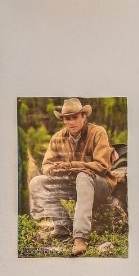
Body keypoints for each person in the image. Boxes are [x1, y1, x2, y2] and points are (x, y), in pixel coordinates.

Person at [29, 98, 117, 256]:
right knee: (37, 183)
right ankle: (63, 227)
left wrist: (71, 166)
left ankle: (80, 238)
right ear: (63, 120)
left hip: (100, 185)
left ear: (84, 117)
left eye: (75, 117)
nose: (71, 122)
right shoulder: (57, 138)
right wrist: (54, 170)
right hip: (72, 185)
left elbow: (102, 166)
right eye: (67, 118)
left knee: (83, 177)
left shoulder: (98, 132)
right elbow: (46, 165)